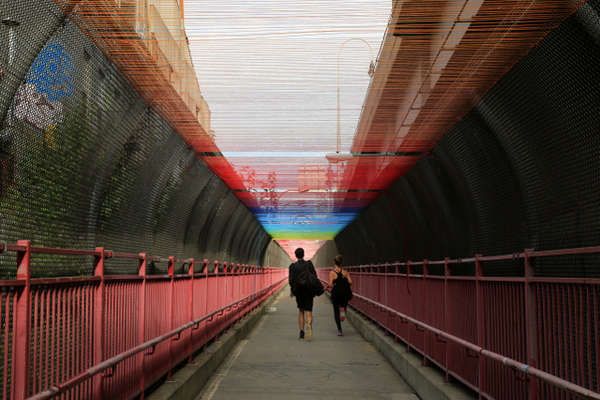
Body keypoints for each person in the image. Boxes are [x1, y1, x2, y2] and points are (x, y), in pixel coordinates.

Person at [289, 247, 318, 340]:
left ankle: (301, 332)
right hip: (309, 290)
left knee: (301, 310)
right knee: (309, 310)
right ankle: (308, 325)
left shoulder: (293, 266)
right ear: (303, 254)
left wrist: (292, 291)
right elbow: (315, 276)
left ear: (296, 255)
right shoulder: (309, 264)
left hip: (299, 291)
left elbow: (291, 280)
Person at [328, 254, 352, 336]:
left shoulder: (332, 272)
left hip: (336, 293)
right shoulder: (345, 272)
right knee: (343, 306)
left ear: (334, 263)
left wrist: (332, 284)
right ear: (341, 263)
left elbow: (330, 284)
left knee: (335, 311)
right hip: (344, 293)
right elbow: (350, 282)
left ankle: (339, 330)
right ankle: (343, 312)